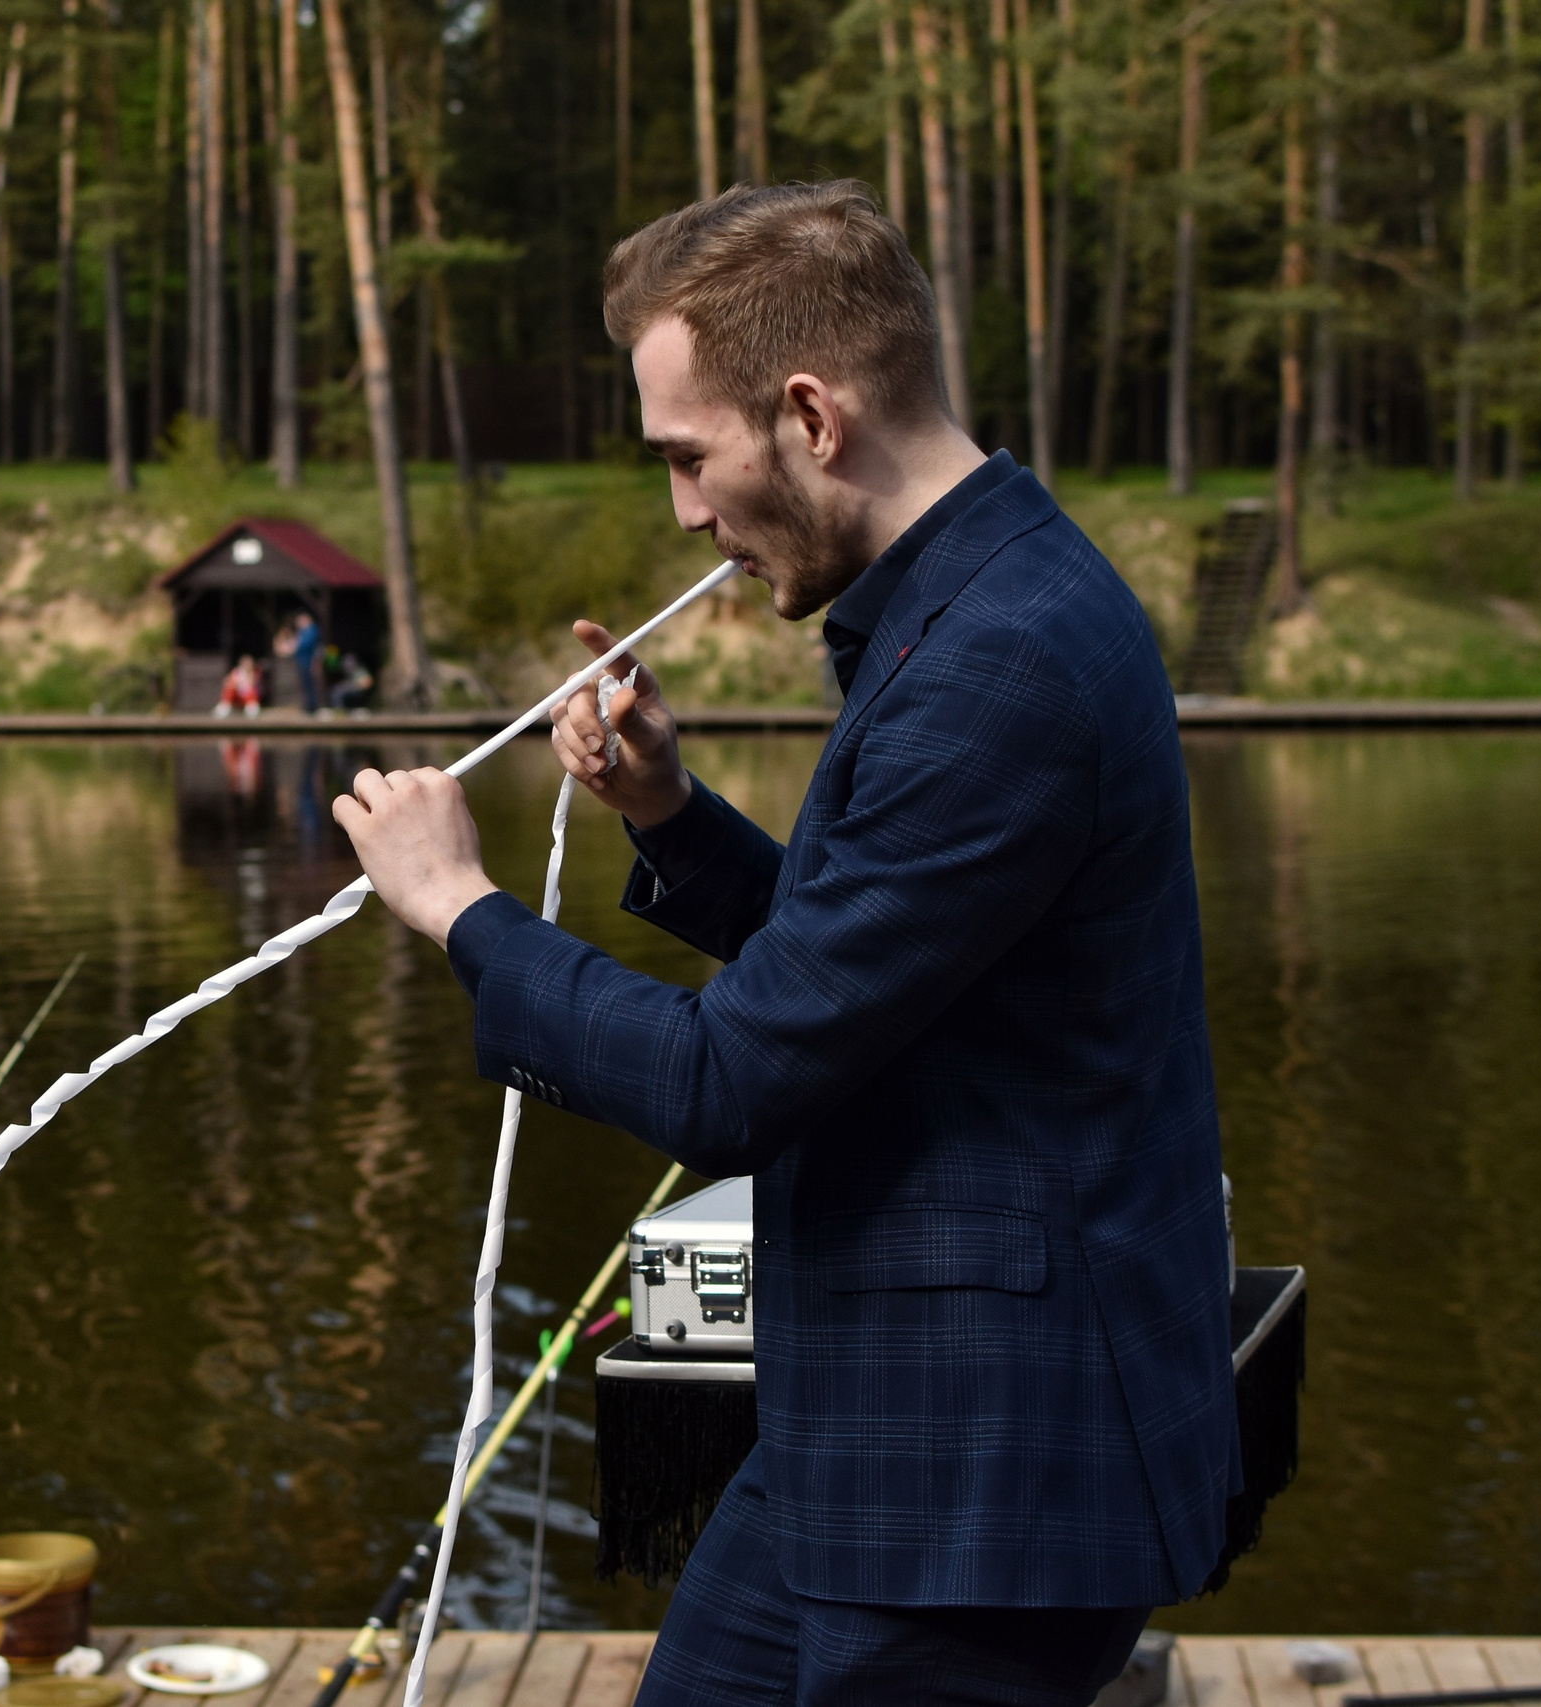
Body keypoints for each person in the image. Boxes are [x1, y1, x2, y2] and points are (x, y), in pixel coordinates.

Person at [331, 181, 1234, 1707]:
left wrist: (462, 906)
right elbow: (871, 970)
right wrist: (671, 814)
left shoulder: (1001, 658)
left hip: (993, 1483)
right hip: (879, 1419)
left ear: (811, 415)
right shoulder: (969, 605)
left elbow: (730, 1080)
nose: (684, 512)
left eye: (689, 456)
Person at [290, 611, 323, 713]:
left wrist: (295, 645)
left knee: (310, 685)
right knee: (306, 685)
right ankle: (309, 705)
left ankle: (313, 707)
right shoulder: (303, 632)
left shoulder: (312, 631)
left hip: (309, 662)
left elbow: (302, 645)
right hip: (303, 661)